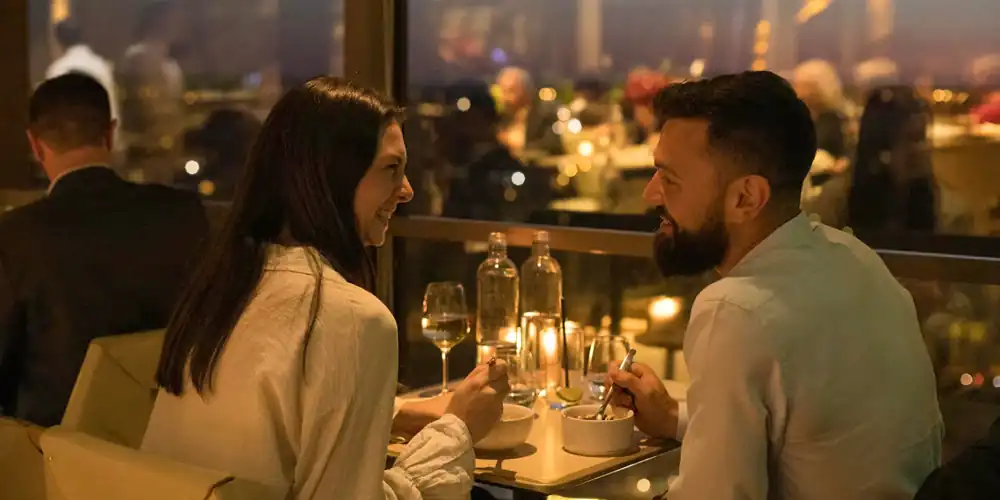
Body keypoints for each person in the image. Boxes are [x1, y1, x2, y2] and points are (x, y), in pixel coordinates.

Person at [142, 77, 510, 499]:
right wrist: (456, 428)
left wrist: (400, 414)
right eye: (391, 168)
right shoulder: (352, 319)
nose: (407, 190)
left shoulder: (225, 288)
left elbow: (266, 428)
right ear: (332, 177)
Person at [608, 71, 943, 499]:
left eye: (669, 178)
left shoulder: (736, 309)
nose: (651, 195)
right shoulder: (855, 258)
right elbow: (815, 438)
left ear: (746, 197)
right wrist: (675, 417)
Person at [0, 73, 208, 426]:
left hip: (57, 452)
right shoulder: (184, 214)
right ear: (110, 134)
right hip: (174, 439)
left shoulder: (16, 235)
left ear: (35, 146)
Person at [848, 86, 937, 234]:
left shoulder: (951, 214)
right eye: (912, 139)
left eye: (923, 138)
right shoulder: (833, 208)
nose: (923, 149)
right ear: (882, 151)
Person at [117, 0, 186, 185]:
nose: (178, 25)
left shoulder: (171, 65)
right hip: (145, 152)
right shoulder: (138, 57)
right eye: (172, 20)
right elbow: (143, 106)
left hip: (168, 153)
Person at [45, 18, 120, 153]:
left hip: (70, 147)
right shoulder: (101, 65)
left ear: (58, 41)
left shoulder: (58, 69)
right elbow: (113, 108)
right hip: (102, 142)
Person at [495, 66, 563, 155]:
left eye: (511, 91)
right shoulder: (500, 118)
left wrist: (519, 145)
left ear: (526, 91)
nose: (505, 98)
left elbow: (553, 146)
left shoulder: (544, 115)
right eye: (503, 91)